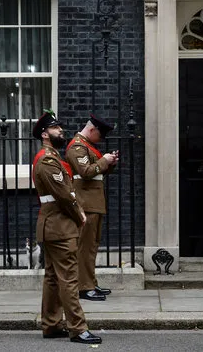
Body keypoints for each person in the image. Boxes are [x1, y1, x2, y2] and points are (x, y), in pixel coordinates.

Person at [32, 110, 102, 344]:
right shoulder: (48, 161)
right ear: (44, 134)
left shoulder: (50, 158)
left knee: (53, 277)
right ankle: (77, 328)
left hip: (52, 226)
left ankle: (51, 324)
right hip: (60, 228)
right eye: (55, 128)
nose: (60, 131)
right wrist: (80, 214)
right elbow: (65, 195)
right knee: (69, 278)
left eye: (60, 128)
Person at [65, 114, 118, 301]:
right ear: (92, 129)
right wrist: (104, 160)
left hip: (93, 204)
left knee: (91, 247)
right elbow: (86, 172)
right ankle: (83, 287)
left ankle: (90, 282)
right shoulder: (77, 147)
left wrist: (109, 164)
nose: (101, 139)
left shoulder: (88, 146)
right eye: (100, 135)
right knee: (85, 248)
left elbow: (96, 170)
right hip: (86, 204)